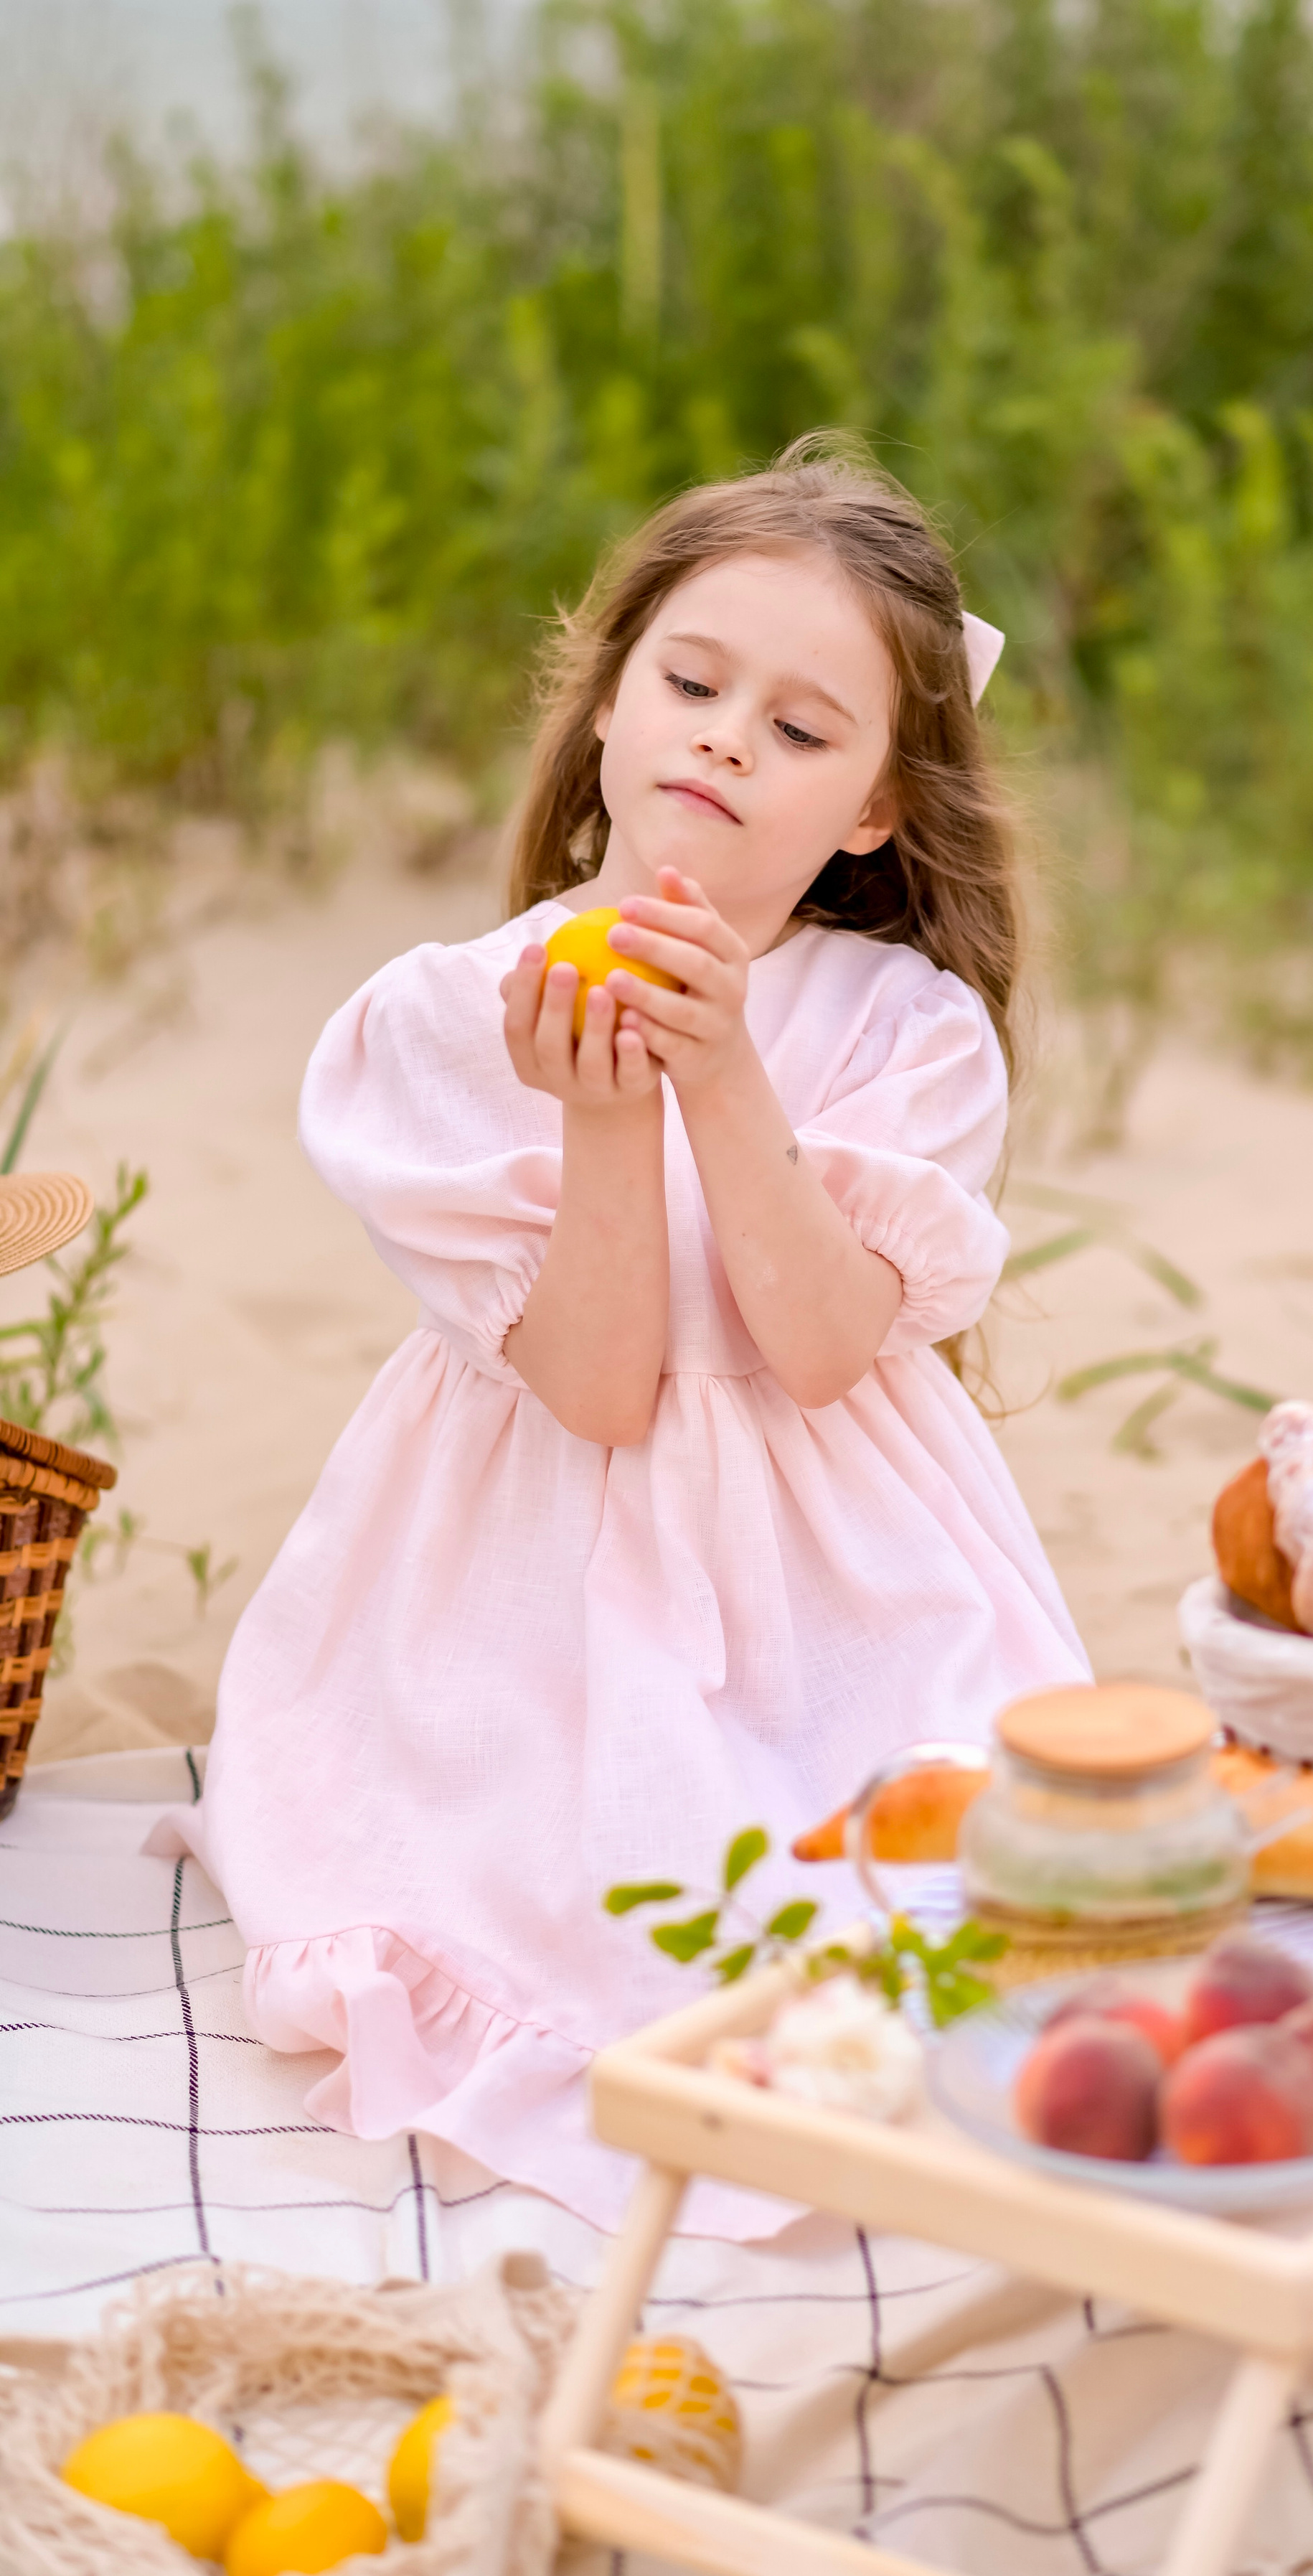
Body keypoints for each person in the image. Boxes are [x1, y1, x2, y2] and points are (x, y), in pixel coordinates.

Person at [191, 438, 1088, 2225]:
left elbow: (820, 1348)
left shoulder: (903, 1029)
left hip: (831, 1580)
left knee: (942, 1883)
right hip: (523, 1576)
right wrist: (601, 1113)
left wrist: (720, 1065)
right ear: (607, 705)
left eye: (801, 728)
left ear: (871, 811)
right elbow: (599, 1392)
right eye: (692, 685)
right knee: (562, 1893)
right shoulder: (439, 1023)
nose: (727, 740)